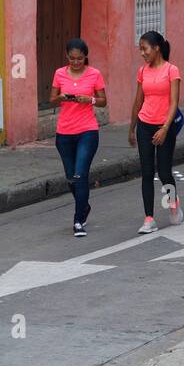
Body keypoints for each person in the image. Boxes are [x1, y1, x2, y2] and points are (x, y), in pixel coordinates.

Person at [49, 39, 106, 237]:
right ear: (67, 57)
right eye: (72, 59)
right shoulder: (59, 73)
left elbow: (102, 101)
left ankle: (78, 220)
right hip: (64, 132)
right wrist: (62, 97)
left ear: (85, 57)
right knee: (70, 178)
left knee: (80, 175)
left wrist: (88, 99)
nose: (75, 62)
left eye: (80, 59)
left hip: (87, 131)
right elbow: (52, 99)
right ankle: (84, 206)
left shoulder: (94, 74)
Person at [128, 31, 184, 233]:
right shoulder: (143, 71)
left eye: (145, 49)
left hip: (165, 126)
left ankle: (173, 202)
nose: (142, 53)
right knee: (146, 171)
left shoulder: (171, 70)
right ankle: (149, 219)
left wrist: (165, 129)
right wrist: (132, 129)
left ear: (157, 48)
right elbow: (137, 101)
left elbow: (174, 103)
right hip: (145, 123)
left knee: (164, 171)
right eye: (140, 50)